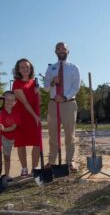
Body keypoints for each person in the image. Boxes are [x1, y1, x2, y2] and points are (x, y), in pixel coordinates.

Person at [44, 42, 80, 172]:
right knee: (53, 134)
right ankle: (52, 161)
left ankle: (70, 162)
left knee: (70, 134)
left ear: (68, 51)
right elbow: (47, 88)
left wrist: (65, 97)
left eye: (63, 48)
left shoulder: (74, 68)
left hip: (68, 104)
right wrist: (53, 81)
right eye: (58, 49)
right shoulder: (51, 68)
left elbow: (76, 87)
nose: (61, 51)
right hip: (53, 104)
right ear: (55, 51)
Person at [12, 58, 41, 176]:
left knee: (37, 143)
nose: (25, 69)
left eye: (27, 67)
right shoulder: (16, 83)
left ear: (31, 68)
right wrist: (35, 116)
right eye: (22, 67)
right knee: (21, 143)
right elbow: (24, 103)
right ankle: (24, 168)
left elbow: (39, 102)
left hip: (34, 116)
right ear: (18, 70)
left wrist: (38, 92)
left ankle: (34, 168)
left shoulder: (35, 83)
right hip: (22, 116)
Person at [0, 91, 20, 181]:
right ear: (3, 100)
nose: (9, 102)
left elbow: (13, 127)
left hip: (9, 137)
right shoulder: (0, 110)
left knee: (7, 157)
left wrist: (3, 129)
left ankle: (6, 175)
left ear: (15, 102)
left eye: (12, 100)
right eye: (7, 100)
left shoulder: (16, 113)